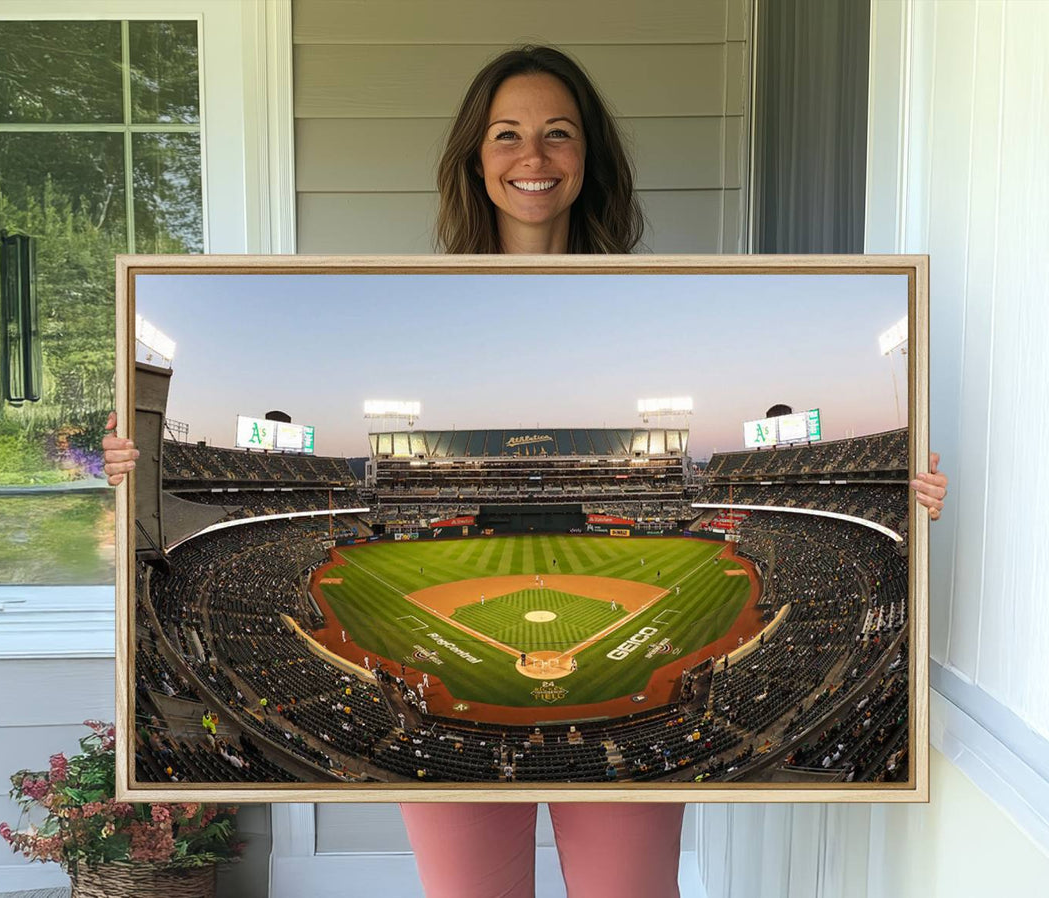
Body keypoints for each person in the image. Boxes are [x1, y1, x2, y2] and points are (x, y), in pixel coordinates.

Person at [103, 43, 950, 898]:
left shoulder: (646, 299)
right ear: (476, 158)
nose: (532, 157)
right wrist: (134, 467)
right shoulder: (422, 300)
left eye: (558, 134)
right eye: (506, 134)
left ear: (589, 158)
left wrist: (907, 494)